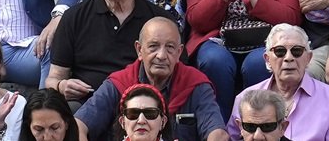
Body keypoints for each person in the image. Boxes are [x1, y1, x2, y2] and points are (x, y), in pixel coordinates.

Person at [46, 0, 174, 103]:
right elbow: (52, 79)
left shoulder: (159, 20)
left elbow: (177, 75)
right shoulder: (74, 17)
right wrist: (61, 86)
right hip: (86, 105)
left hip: (141, 107)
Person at [74, 17, 227, 141]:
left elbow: (217, 134)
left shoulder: (196, 85)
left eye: (170, 47)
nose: (161, 55)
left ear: (179, 52)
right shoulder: (119, 83)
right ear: (139, 49)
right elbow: (78, 125)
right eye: (153, 46)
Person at [227, 24, 329, 141]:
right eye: (280, 51)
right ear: (267, 59)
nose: (288, 57)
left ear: (308, 58)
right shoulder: (244, 98)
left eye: (297, 51)